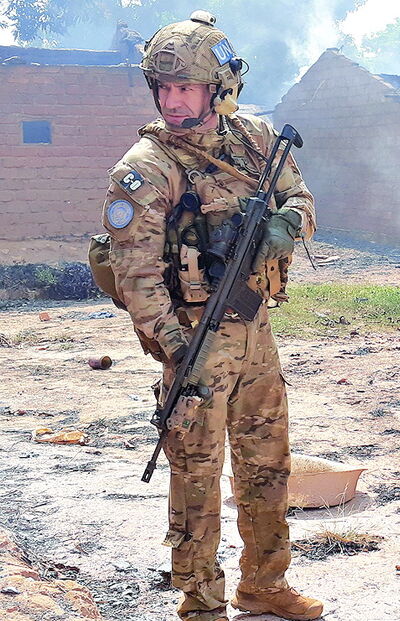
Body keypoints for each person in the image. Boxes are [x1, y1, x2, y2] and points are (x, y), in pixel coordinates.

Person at [101, 10, 321, 621]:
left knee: (267, 461)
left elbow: (301, 197)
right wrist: (178, 351)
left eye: (185, 87)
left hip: (255, 332)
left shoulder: (253, 139)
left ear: (218, 89)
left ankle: (265, 584)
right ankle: (201, 603)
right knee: (196, 477)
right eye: (163, 88)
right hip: (193, 340)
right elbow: (137, 276)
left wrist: (286, 225)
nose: (172, 101)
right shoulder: (146, 169)